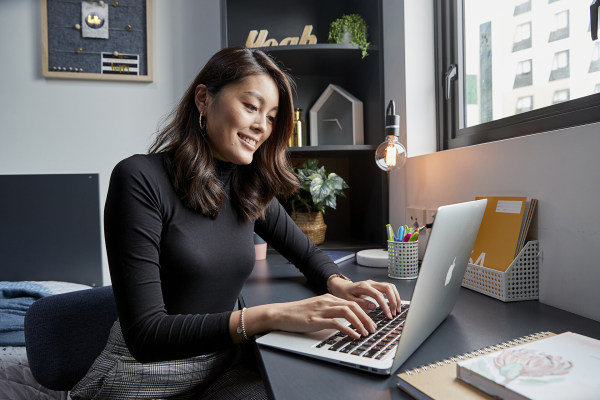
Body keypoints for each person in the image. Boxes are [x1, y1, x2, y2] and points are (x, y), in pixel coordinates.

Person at [70, 46, 401, 400]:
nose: (262, 126)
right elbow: (147, 336)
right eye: (251, 106)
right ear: (203, 99)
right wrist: (274, 314)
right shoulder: (139, 178)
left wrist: (340, 284)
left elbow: (306, 254)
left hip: (223, 363)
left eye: (272, 116)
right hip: (146, 376)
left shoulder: (249, 187)